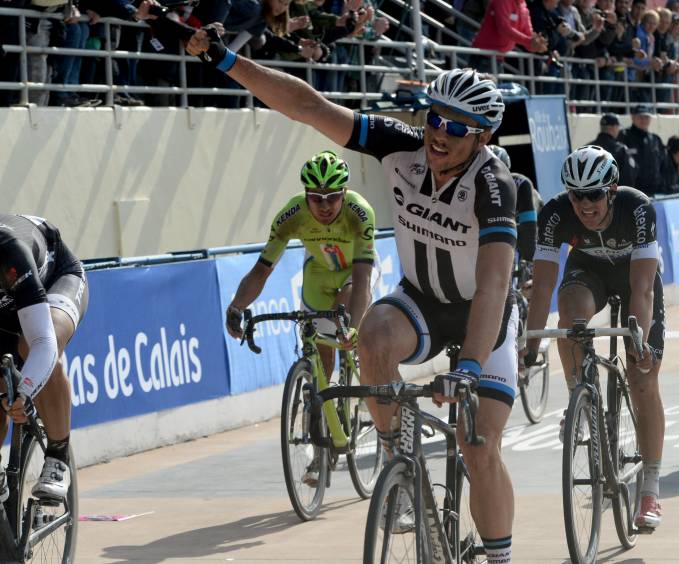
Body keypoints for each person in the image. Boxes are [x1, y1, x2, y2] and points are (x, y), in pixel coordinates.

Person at [188, 29, 519, 561]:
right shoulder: (398, 146)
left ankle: (500, 556)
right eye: (434, 117)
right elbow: (306, 106)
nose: (439, 133)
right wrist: (225, 60)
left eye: (456, 128)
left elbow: (495, 284)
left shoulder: (495, 183)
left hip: (485, 315)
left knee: (478, 445)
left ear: (482, 138)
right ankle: (398, 464)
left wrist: (472, 366)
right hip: (423, 302)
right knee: (372, 338)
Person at [523, 145, 666, 530]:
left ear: (612, 190)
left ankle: (650, 486)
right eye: (576, 194)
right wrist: (531, 345)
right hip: (588, 272)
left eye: (593, 195)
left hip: (635, 274)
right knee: (569, 316)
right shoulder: (554, 213)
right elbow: (544, 286)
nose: (584, 204)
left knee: (641, 378)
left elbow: (643, 289)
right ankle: (580, 399)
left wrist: (640, 341)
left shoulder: (638, 209)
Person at [224, 150, 375, 484]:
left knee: (347, 309)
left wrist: (353, 325)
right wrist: (236, 306)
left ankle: (363, 395)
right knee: (320, 359)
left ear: (345, 194)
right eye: (316, 198)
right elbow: (262, 270)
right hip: (318, 277)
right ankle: (318, 440)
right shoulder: (291, 214)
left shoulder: (359, 213)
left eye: (332, 198)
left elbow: (363, 279)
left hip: (353, 276)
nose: (323, 206)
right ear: (305, 195)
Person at [0, 215, 89, 501]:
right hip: (7, 308)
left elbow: (43, 342)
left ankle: (58, 456)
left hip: (54, 281)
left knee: (32, 344)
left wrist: (26, 391)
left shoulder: (10, 252)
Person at [489, 144, 541, 262]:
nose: (492, 180)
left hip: (532, 221)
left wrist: (530, 261)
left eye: (497, 173)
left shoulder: (522, 184)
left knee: (528, 250)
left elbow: (529, 231)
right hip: (509, 224)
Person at [592, 113, 637, 187]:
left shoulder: (588, 147)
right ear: (614, 128)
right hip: (614, 194)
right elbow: (628, 178)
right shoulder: (621, 149)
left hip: (591, 195)